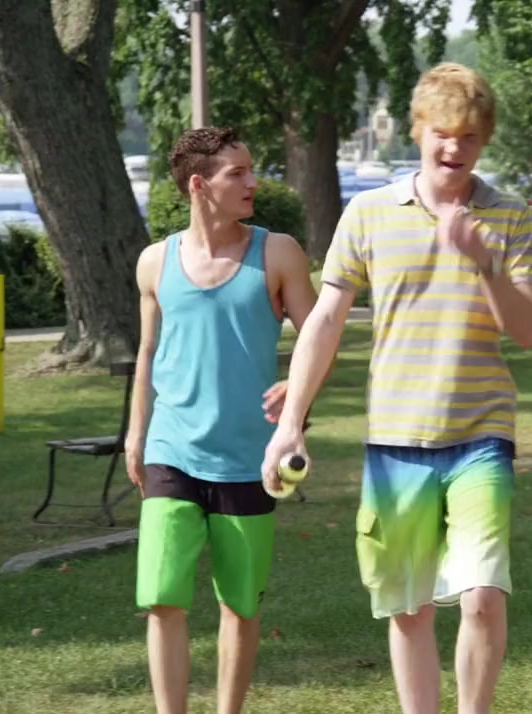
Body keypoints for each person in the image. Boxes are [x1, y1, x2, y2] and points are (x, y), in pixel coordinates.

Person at [260, 62, 532, 714]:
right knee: (410, 608)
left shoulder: (508, 217)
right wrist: (291, 423)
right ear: (418, 130)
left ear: (484, 140)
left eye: (469, 137)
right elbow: (325, 321)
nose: (454, 148)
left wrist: (484, 261)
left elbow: (528, 331)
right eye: (443, 133)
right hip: (395, 437)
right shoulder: (369, 213)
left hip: (481, 434)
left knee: (483, 595)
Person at [124, 126, 318, 714]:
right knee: (161, 596)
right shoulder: (155, 262)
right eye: (238, 173)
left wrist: (297, 397)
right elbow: (148, 352)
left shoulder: (277, 253)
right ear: (199, 185)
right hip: (171, 450)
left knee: (240, 604)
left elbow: (319, 338)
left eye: (252, 170)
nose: (253, 182)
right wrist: (136, 433)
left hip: (249, 457)